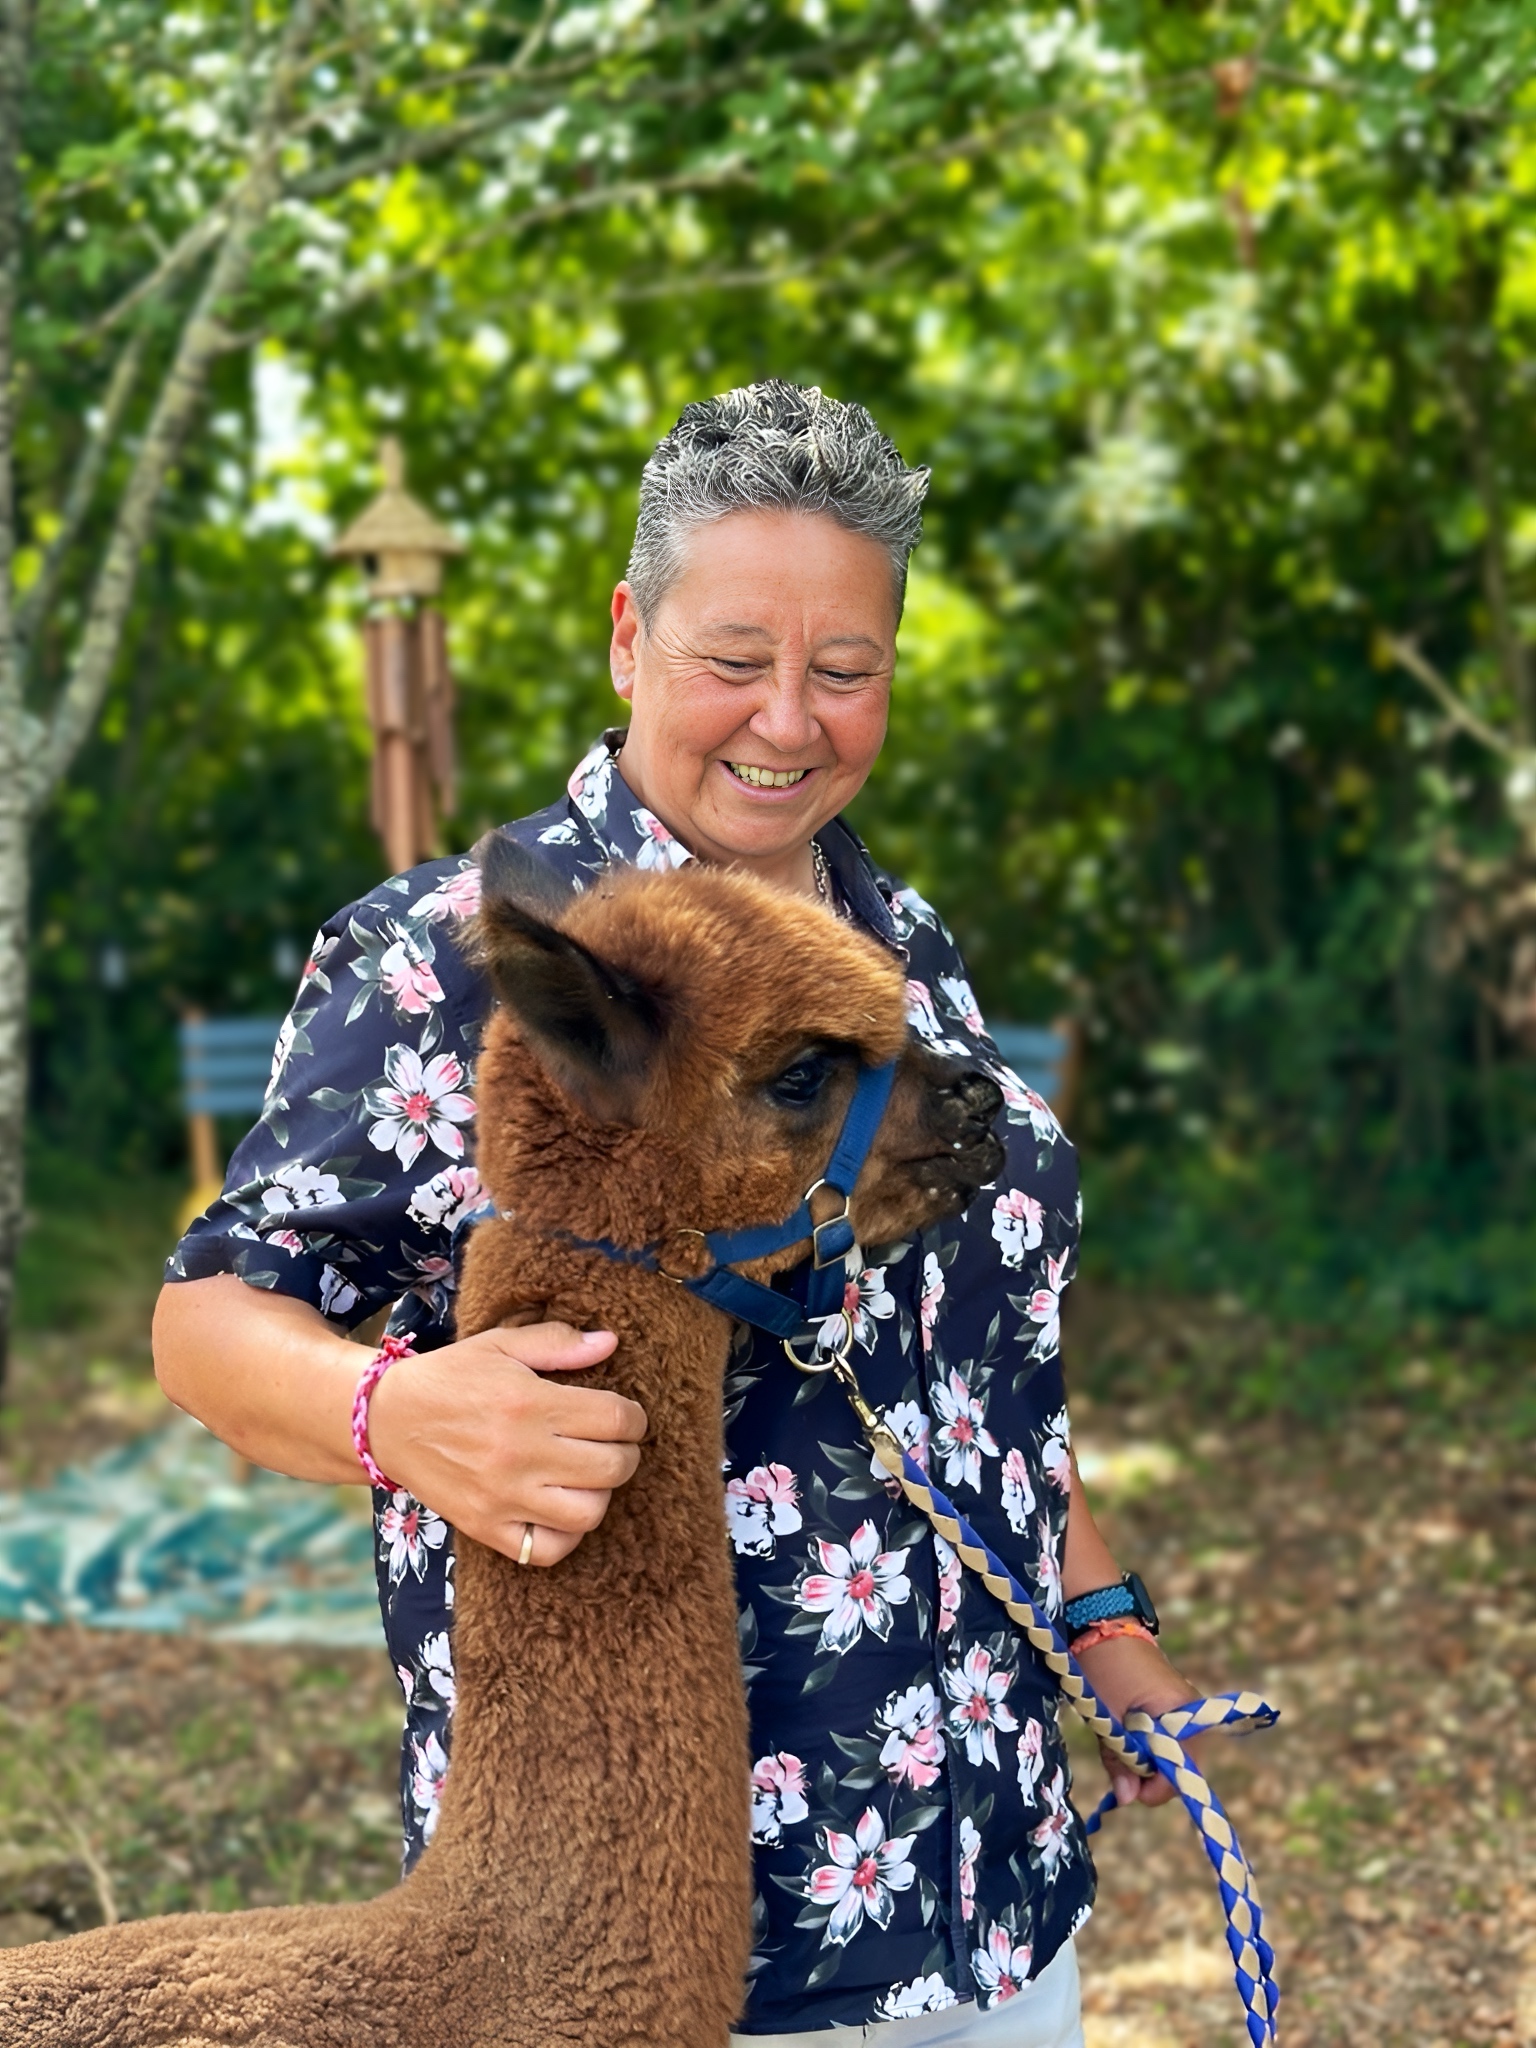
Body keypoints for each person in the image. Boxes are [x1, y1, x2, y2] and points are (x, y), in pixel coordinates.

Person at [155, 382, 1214, 2047]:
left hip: (991, 1884)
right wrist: (396, 1412)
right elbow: (211, 1315)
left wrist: (1101, 1623)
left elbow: (979, 1354)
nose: (788, 719)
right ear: (628, 636)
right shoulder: (454, 955)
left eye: (844, 670)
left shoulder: (898, 941)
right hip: (665, 1933)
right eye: (735, 658)